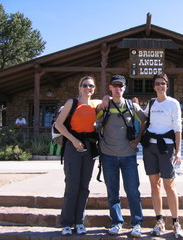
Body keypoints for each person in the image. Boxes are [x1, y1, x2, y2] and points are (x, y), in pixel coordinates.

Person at [55, 75, 104, 236]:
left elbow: (106, 102)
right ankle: (66, 223)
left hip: (89, 148)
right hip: (73, 147)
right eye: (85, 85)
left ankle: (79, 222)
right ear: (79, 87)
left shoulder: (94, 104)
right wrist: (74, 140)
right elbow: (59, 124)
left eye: (91, 86)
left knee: (84, 187)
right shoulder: (72, 103)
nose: (88, 88)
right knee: (72, 185)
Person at [98, 74, 146, 238]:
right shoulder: (104, 105)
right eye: (115, 85)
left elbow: (146, 120)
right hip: (108, 155)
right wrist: (101, 103)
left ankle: (137, 223)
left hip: (128, 155)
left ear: (125, 88)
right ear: (110, 87)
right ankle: (117, 222)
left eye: (121, 86)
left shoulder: (132, 106)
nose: (118, 88)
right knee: (112, 192)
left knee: (133, 191)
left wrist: (139, 138)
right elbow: (91, 119)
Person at [142, 73, 183, 238]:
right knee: (155, 185)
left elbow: (177, 128)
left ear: (167, 86)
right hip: (150, 148)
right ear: (154, 87)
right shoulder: (152, 103)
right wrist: (134, 107)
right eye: (157, 84)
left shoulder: (173, 103)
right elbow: (144, 117)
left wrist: (179, 151)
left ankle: (176, 222)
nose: (160, 86)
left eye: (163, 83)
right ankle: (159, 221)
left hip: (166, 147)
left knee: (170, 185)